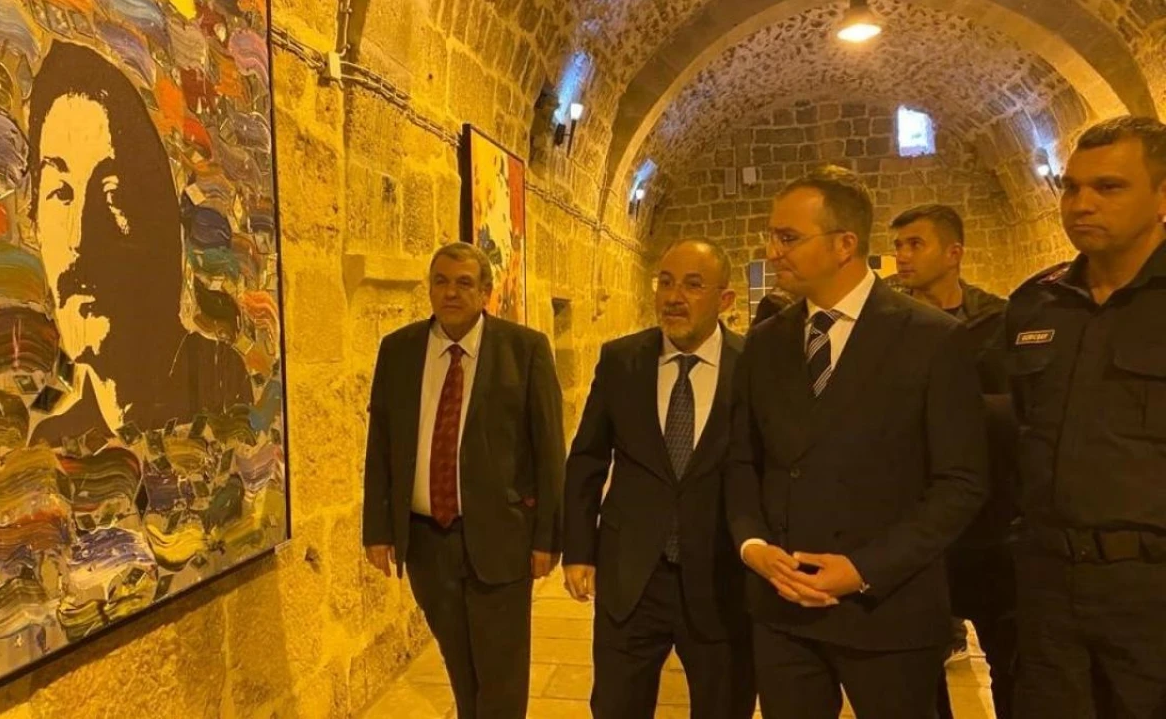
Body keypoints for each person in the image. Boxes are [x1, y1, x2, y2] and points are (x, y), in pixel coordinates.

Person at [726, 166, 988, 719]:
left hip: (888, 611)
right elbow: (744, 460)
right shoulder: (766, 342)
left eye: (788, 238)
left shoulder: (932, 338)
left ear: (845, 244)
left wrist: (864, 568)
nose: (773, 252)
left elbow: (960, 483)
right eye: (772, 236)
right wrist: (753, 546)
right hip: (783, 611)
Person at [361, 242, 566, 719]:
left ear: (485, 292)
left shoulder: (525, 350)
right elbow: (381, 443)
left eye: (463, 283)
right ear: (430, 288)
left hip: (502, 538)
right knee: (459, 665)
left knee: (501, 673)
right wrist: (378, 529)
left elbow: (549, 451)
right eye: (441, 281)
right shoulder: (398, 350)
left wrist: (548, 538)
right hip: (427, 541)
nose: (450, 292)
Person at [1005, 115, 1166, 719]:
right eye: (1071, 187)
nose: (1081, 204)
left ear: (1162, 196)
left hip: (1150, 589)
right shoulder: (1037, 305)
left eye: (1109, 187)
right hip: (1048, 584)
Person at [563, 237, 757, 719]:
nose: (674, 297)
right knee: (616, 707)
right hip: (631, 576)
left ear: (725, 299)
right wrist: (579, 550)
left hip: (720, 580)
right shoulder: (621, 360)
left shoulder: (754, 366)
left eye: (693, 285)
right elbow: (587, 458)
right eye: (665, 282)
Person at [25, 41, 250, 446]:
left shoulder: (218, 382)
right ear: (35, 224)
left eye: (111, 194)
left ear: (157, 219)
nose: (79, 239)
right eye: (60, 192)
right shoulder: (56, 438)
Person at [891, 204, 1017, 718]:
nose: (902, 256)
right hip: (919, 522)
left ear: (953, 253)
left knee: (1012, 661)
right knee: (919, 668)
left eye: (914, 244)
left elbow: (1020, 407)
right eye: (898, 245)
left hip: (991, 522)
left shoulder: (998, 321)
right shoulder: (890, 325)